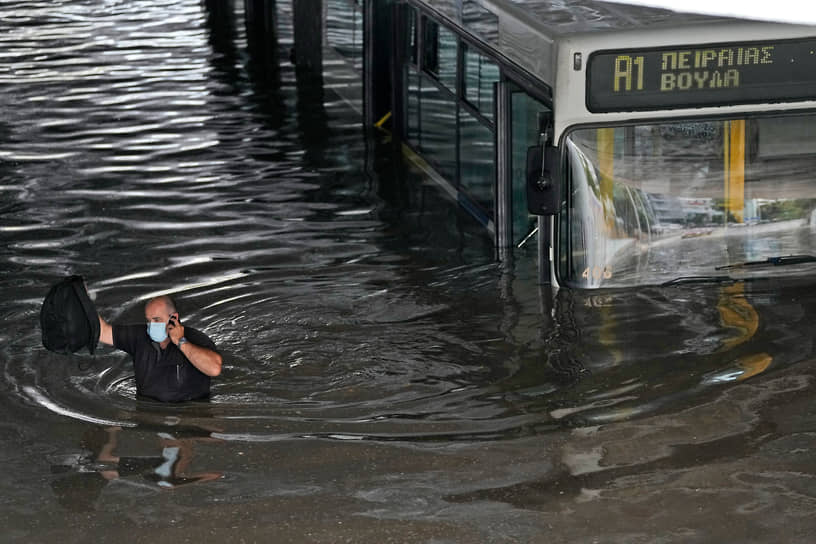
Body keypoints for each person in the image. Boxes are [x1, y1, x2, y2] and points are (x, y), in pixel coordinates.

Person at [97, 295, 222, 402]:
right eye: (148, 320)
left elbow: (214, 369)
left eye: (157, 320)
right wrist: (80, 294)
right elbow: (103, 332)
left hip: (189, 413)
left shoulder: (197, 339)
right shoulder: (140, 336)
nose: (152, 325)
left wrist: (180, 342)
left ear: (174, 318)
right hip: (147, 410)